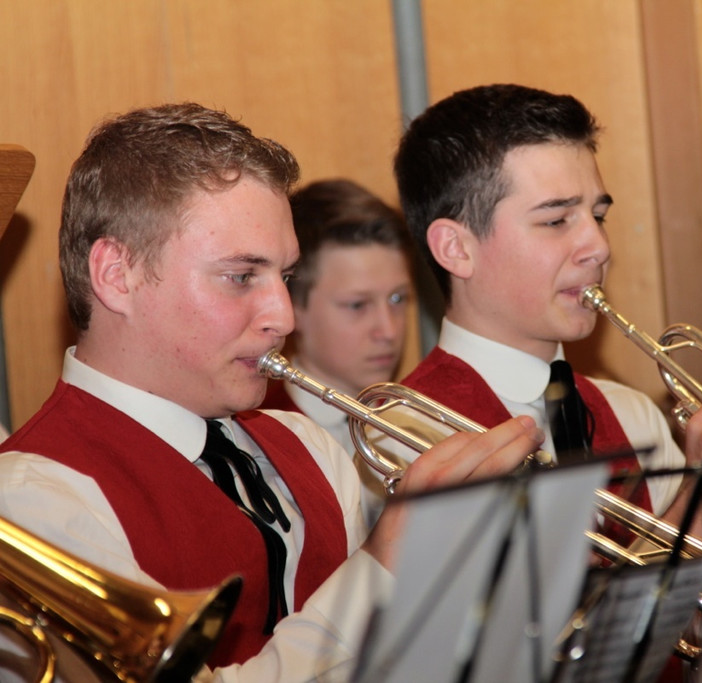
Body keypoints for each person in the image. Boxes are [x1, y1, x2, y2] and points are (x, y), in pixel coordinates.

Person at [0, 102, 542, 682]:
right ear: (117, 275)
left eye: (284, 278)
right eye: (241, 277)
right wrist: (389, 561)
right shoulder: (28, 501)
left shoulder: (308, 444)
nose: (283, 317)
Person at [387, 83, 702, 546]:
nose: (599, 247)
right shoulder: (400, 435)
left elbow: (700, 596)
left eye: (598, 216)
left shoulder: (632, 414)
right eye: (556, 220)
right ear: (456, 249)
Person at [260, 178, 414, 524]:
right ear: (294, 308)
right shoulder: (260, 435)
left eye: (398, 298)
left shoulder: (417, 421)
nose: (389, 331)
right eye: (357, 305)